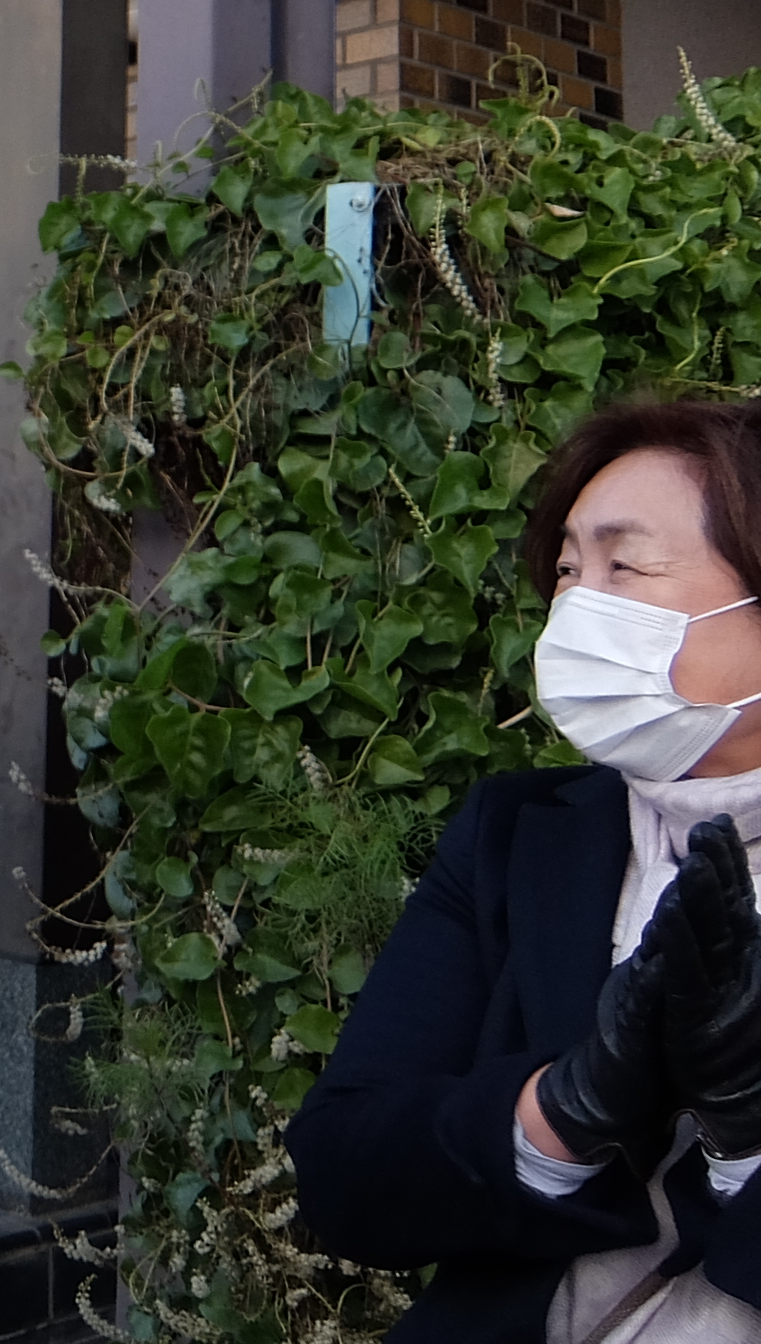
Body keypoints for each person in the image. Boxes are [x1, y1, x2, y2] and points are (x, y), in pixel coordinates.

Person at [287, 398, 761, 1338]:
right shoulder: (519, 835)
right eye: (568, 572)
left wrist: (744, 1142)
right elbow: (341, 1173)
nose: (579, 606)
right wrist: (559, 1113)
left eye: (625, 566)